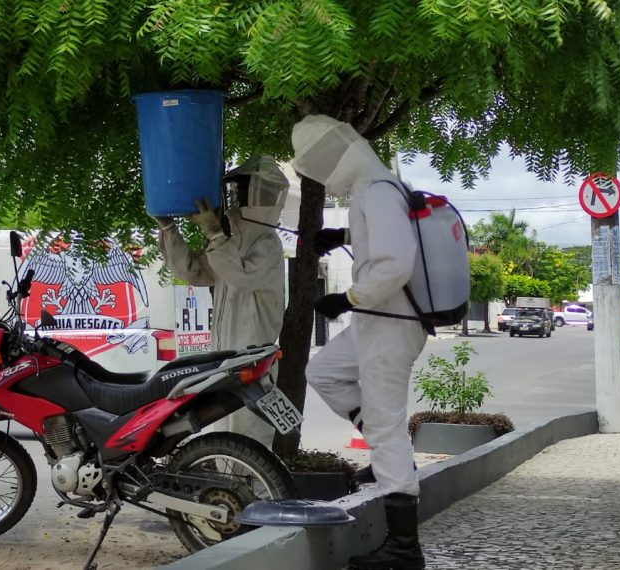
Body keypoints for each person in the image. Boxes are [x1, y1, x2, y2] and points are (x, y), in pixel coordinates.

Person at [292, 115, 428, 570]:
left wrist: (345, 298)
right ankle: (386, 456)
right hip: (376, 322)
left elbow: (395, 263)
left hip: (388, 323)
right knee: (324, 372)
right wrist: (344, 236)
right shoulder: (378, 186)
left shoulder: (376, 188)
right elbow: (387, 240)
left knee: (388, 428)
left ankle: (404, 549)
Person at [154, 155, 289, 448]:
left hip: (251, 361)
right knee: (224, 437)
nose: (235, 197)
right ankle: (231, 492)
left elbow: (241, 276)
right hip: (227, 361)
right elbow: (195, 272)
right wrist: (169, 231)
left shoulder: (266, 245)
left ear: (260, 195)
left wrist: (215, 235)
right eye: (234, 189)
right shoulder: (232, 244)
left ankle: (256, 494)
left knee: (248, 437)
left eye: (241, 189)